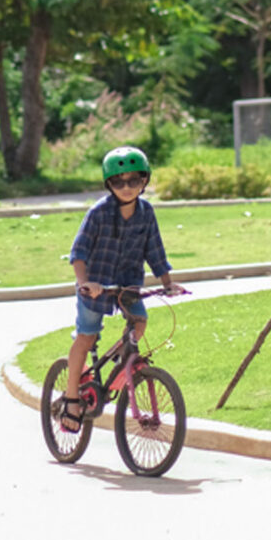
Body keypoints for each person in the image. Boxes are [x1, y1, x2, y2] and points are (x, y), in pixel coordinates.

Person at [61, 146, 183, 432]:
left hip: (128, 285)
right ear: (109, 184)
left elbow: (155, 250)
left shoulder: (146, 213)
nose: (127, 187)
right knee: (86, 338)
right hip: (96, 286)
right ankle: (70, 398)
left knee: (140, 322)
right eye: (118, 182)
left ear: (145, 181)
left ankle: (120, 360)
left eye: (134, 181)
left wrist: (167, 283)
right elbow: (78, 253)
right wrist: (84, 283)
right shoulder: (98, 213)